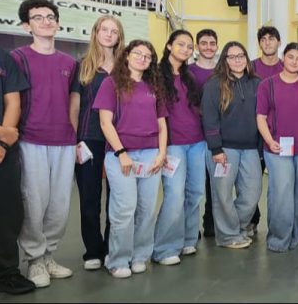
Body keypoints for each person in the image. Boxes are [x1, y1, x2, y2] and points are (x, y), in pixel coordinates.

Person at [11, 0, 80, 288]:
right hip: (31, 139)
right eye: (38, 17)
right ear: (26, 26)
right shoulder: (17, 58)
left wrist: (75, 139)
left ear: (58, 23)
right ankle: (34, 259)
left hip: (64, 141)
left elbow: (74, 104)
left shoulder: (70, 63)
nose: (46, 21)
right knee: (34, 202)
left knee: (60, 204)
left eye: (50, 16)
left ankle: (48, 254)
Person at [94, 40, 168, 279]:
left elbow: (162, 124)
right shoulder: (111, 83)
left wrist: (161, 153)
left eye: (148, 56)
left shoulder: (153, 86)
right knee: (124, 209)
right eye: (138, 53)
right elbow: (105, 122)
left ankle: (140, 256)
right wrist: (121, 153)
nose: (142, 58)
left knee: (147, 209)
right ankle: (117, 259)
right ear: (127, 56)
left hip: (150, 154)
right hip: (121, 155)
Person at [0, 0, 35, 295]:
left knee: (6, 213)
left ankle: (5, 274)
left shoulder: (1, 57)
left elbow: (13, 100)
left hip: (2, 149)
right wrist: (2, 132)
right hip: (0, 136)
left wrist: (3, 141)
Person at [76, 15, 125, 271]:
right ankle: (93, 251)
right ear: (96, 33)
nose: (108, 34)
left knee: (117, 198)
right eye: (104, 29)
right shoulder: (83, 66)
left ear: (119, 37)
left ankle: (110, 248)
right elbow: (74, 107)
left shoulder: (126, 68)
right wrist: (74, 140)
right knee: (89, 197)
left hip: (119, 140)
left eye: (113, 31)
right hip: (89, 138)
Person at [201, 42, 262, 249]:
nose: (237, 60)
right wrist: (216, 148)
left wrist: (261, 148)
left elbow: (262, 116)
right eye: (232, 56)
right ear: (225, 60)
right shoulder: (214, 84)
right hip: (223, 150)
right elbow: (209, 119)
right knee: (223, 196)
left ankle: (238, 227)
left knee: (252, 193)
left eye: (241, 55)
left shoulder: (256, 83)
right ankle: (228, 236)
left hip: (250, 149)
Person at [153, 30, 206, 265]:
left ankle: (188, 239)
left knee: (195, 193)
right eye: (181, 44)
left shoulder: (189, 76)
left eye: (189, 46)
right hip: (173, 145)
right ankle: (164, 248)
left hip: (197, 142)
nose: (185, 49)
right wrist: (161, 147)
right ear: (169, 46)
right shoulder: (155, 75)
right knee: (174, 195)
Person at [256, 42, 298, 252]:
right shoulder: (267, 85)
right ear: (283, 58)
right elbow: (260, 118)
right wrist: (270, 140)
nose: (294, 62)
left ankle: (296, 238)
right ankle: (278, 240)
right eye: (291, 57)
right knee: (281, 195)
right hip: (277, 149)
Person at [248, 25, 284, 237]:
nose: (267, 42)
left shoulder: (287, 67)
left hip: (279, 136)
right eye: (263, 39)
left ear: (279, 42)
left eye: (271, 38)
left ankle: (279, 226)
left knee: (280, 185)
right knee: (251, 183)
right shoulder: (250, 68)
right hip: (254, 136)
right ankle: (251, 221)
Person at [189, 29, 219, 239]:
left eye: (212, 43)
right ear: (197, 46)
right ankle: (189, 228)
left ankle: (211, 223)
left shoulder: (222, 72)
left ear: (217, 46)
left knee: (214, 184)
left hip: (216, 135)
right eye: (204, 43)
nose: (208, 47)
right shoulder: (188, 72)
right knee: (193, 184)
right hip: (193, 135)